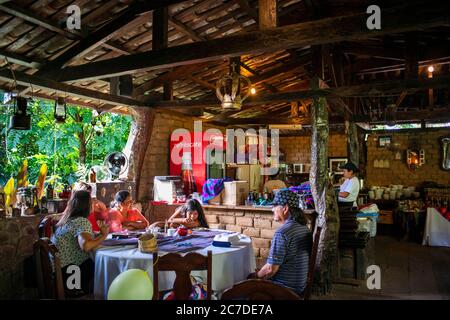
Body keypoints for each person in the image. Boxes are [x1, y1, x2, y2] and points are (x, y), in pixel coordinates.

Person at [248, 189, 312, 295]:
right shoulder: (303, 227)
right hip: (298, 286)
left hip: (285, 290)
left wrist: (256, 276)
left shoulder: (283, 233)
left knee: (242, 288)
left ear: (285, 208)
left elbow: (270, 269)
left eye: (275, 206)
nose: (272, 209)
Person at [51, 190, 109, 294]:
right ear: (86, 205)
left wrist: (97, 234)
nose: (94, 204)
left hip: (58, 272)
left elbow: (81, 236)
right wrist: (104, 235)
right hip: (71, 273)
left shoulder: (67, 220)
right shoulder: (81, 221)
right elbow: (86, 246)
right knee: (102, 265)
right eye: (91, 202)